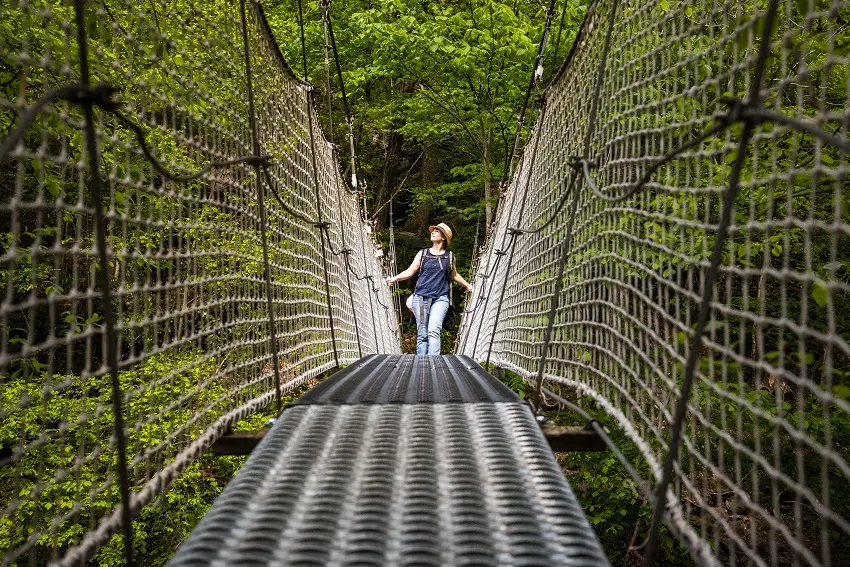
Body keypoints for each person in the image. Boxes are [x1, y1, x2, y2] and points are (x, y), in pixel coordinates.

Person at [386, 223, 472, 355]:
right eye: (433, 231)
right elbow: (410, 271)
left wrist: (467, 285)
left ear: (443, 238)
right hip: (421, 298)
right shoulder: (423, 254)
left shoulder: (449, 257)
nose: (433, 232)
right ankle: (422, 363)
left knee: (433, 329)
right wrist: (395, 278)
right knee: (423, 334)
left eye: (437, 231)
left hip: (440, 298)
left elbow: (454, 275)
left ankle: (434, 362)